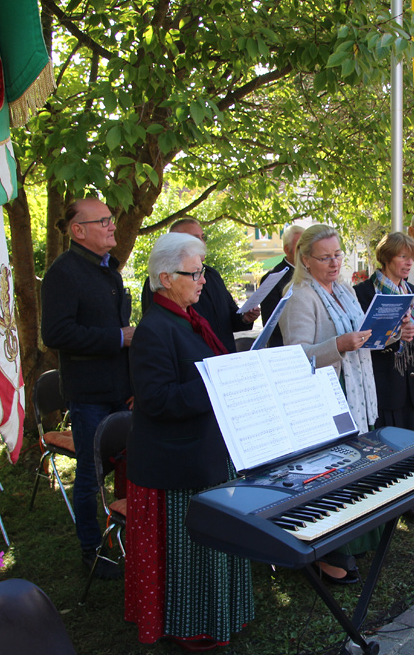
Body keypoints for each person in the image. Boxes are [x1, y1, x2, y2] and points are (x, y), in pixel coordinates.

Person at [125, 232, 253, 649]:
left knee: (214, 544)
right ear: (165, 277)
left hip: (202, 452)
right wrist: (218, 384)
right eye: (194, 272)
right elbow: (157, 400)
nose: (203, 279)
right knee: (191, 553)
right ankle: (190, 625)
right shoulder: (154, 329)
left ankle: (218, 614)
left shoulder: (186, 319)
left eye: (202, 270)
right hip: (176, 465)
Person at [279, 224, 377, 582]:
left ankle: (353, 542)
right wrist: (337, 345)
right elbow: (295, 356)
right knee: (333, 475)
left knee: (356, 468)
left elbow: (361, 334)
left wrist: (389, 331)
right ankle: (328, 552)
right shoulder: (300, 296)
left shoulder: (345, 290)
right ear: (305, 260)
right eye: (325, 257)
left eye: (338, 254)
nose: (335, 262)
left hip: (353, 390)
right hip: (324, 396)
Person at [40, 198, 133, 580]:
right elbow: (55, 334)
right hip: (89, 392)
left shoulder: (108, 270)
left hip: (118, 388)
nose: (113, 225)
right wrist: (117, 338)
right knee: (90, 475)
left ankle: (128, 537)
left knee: (127, 466)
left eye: (111, 219)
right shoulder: (64, 272)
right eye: (104, 221)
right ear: (78, 230)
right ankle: (92, 551)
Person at [354, 232, 414, 521]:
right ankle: (386, 503)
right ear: (386, 258)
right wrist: (395, 337)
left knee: (411, 440)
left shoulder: (412, 292)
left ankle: (409, 500)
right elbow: (363, 342)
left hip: (410, 378)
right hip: (384, 379)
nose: (409, 263)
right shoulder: (365, 294)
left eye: (412, 258)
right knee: (387, 443)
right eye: (403, 257)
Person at [141, 218, 259, 352]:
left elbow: (229, 319)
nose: (202, 280)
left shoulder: (212, 275)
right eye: (195, 238)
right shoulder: (158, 291)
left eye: (202, 237)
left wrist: (245, 318)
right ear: (167, 280)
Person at [259, 224, 304, 346]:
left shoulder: (312, 273)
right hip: (285, 348)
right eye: (299, 246)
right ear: (286, 249)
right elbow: (271, 326)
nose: (304, 251)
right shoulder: (272, 279)